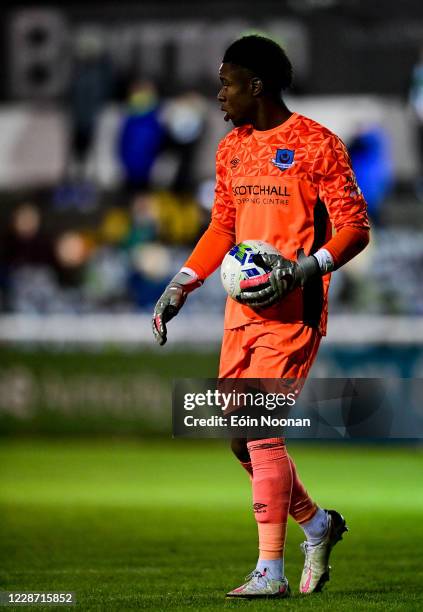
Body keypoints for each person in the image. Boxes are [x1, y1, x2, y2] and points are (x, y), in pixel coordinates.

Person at [152, 35, 370, 599]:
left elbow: (354, 227)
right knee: (238, 439)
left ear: (256, 86)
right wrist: (183, 282)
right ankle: (318, 526)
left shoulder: (318, 145)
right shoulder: (232, 149)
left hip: (295, 308)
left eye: (226, 83)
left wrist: (305, 270)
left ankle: (268, 571)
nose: (218, 94)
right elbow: (223, 228)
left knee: (259, 429)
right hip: (241, 312)